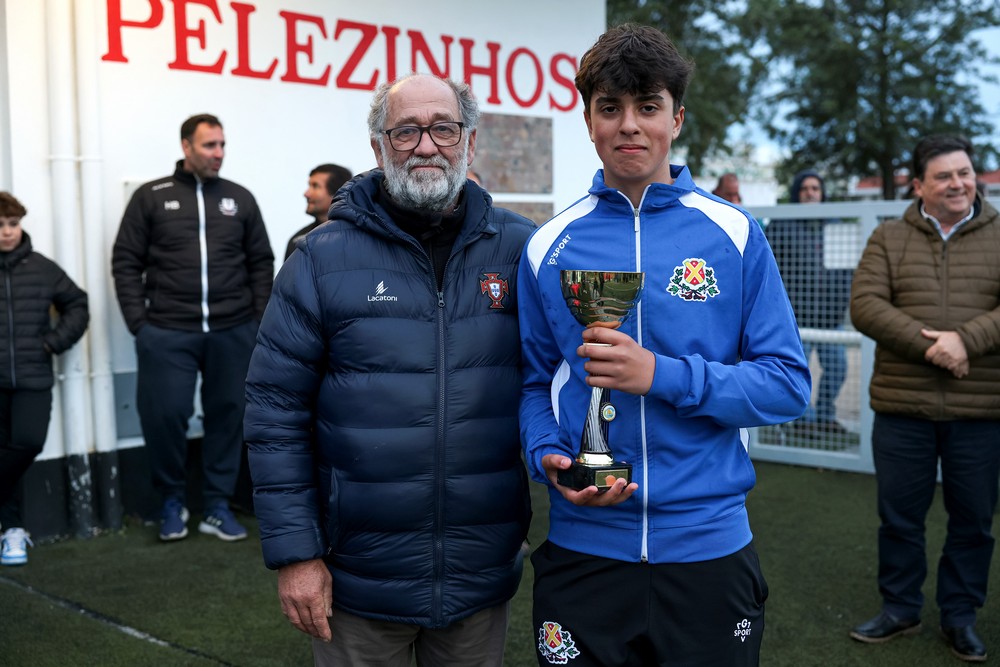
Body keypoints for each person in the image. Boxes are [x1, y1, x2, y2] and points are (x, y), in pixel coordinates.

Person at [518, 24, 810, 666]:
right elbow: (536, 381)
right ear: (588, 120)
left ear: (676, 118)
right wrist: (547, 456)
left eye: (647, 107)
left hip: (707, 548)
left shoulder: (734, 235)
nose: (629, 125)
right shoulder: (548, 245)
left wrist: (661, 374)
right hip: (586, 544)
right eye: (610, 108)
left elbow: (788, 383)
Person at [244, 73, 534, 666]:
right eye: (406, 131)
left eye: (444, 129)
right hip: (359, 583)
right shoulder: (319, 259)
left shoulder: (523, 250)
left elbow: (552, 384)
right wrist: (297, 555)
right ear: (378, 148)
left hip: (478, 576)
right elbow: (274, 412)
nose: (426, 146)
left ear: (470, 143)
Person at [849, 135, 1000, 663]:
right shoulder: (889, 237)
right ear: (918, 186)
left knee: (973, 523)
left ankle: (960, 616)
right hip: (902, 409)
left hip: (980, 412)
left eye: (964, 172)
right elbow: (865, 305)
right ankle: (900, 608)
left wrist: (968, 340)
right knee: (900, 520)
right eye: (944, 175)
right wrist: (934, 347)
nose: (958, 183)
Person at [112, 113, 274, 543]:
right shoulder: (152, 197)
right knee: (164, 415)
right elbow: (125, 261)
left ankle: (217, 506)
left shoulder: (240, 198)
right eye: (209, 146)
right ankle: (172, 500)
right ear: (186, 147)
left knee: (228, 415)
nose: (218, 153)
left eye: (222, 145)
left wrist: (256, 321)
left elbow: (261, 262)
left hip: (232, 329)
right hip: (167, 331)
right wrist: (139, 324)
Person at [0, 192, 89, 565]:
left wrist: (52, 343)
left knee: (27, 443)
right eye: (0, 225)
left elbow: (78, 304)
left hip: (33, 377)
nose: (6, 232)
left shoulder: (42, 267)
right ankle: (13, 531)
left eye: (13, 224)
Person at [766, 170, 853, 439]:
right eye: (805, 189)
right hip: (795, 320)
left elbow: (847, 271)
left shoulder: (836, 225)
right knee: (795, 373)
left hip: (829, 319)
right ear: (797, 193)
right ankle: (803, 421)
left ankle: (825, 417)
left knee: (837, 368)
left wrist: (839, 306)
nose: (811, 193)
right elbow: (769, 271)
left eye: (816, 188)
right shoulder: (781, 225)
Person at [285, 163, 353, 260]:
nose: (306, 194)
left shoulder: (361, 237)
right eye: (309, 186)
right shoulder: (297, 242)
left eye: (315, 186)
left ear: (337, 193)